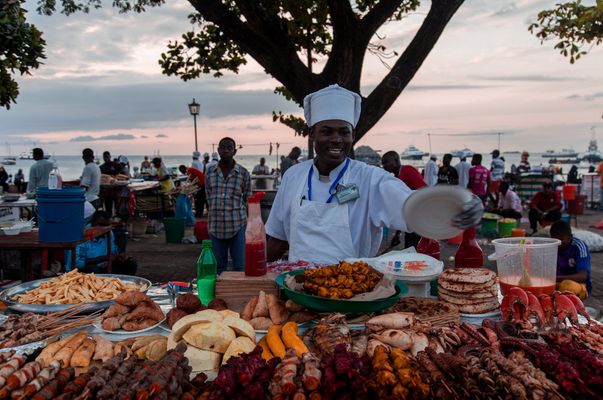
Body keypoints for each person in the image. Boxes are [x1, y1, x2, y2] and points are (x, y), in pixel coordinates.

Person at [265, 84, 483, 264]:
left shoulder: (371, 179)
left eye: (344, 132)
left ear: (352, 136)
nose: (336, 139)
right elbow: (277, 238)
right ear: (312, 134)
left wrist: (455, 208)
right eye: (326, 131)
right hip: (294, 291)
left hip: (353, 294)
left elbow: (411, 208)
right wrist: (249, 274)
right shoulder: (294, 176)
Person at [205, 137, 251, 272]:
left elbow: (248, 199)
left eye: (229, 148)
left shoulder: (243, 173)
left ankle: (239, 292)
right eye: (223, 147)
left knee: (240, 266)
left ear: (235, 151)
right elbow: (209, 196)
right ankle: (220, 293)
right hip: (215, 226)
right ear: (218, 150)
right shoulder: (209, 172)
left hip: (238, 225)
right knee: (218, 267)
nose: (225, 150)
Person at [382, 151, 426, 249]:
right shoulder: (396, 178)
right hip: (410, 221)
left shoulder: (407, 170)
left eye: (386, 162)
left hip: (418, 218)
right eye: (383, 163)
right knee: (409, 248)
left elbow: (424, 190)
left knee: (413, 248)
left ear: (396, 160)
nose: (384, 166)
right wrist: (397, 234)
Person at [550, 221, 591, 299]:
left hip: (576, 284)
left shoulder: (579, 247)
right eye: (555, 240)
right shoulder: (550, 245)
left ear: (570, 237)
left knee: (568, 287)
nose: (559, 244)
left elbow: (583, 276)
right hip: (555, 282)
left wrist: (555, 278)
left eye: (561, 240)